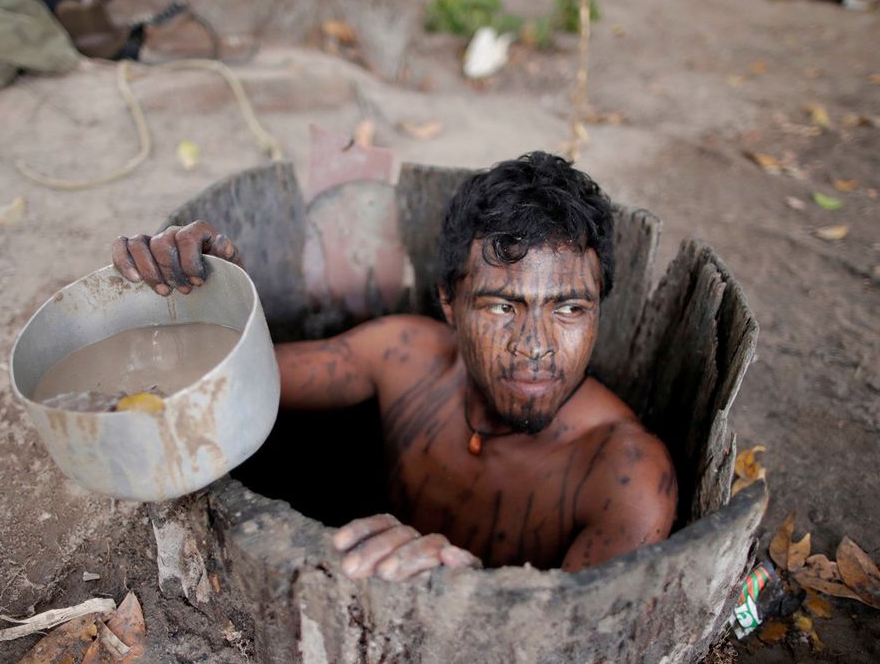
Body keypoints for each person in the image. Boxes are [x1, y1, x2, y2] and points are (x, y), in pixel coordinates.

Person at [111, 151, 677, 581]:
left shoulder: (624, 477)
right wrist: (209, 293)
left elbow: (579, 640)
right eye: (502, 306)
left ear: (598, 308)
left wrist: (472, 595)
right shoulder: (403, 354)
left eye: (570, 308)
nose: (535, 346)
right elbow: (237, 380)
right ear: (449, 303)